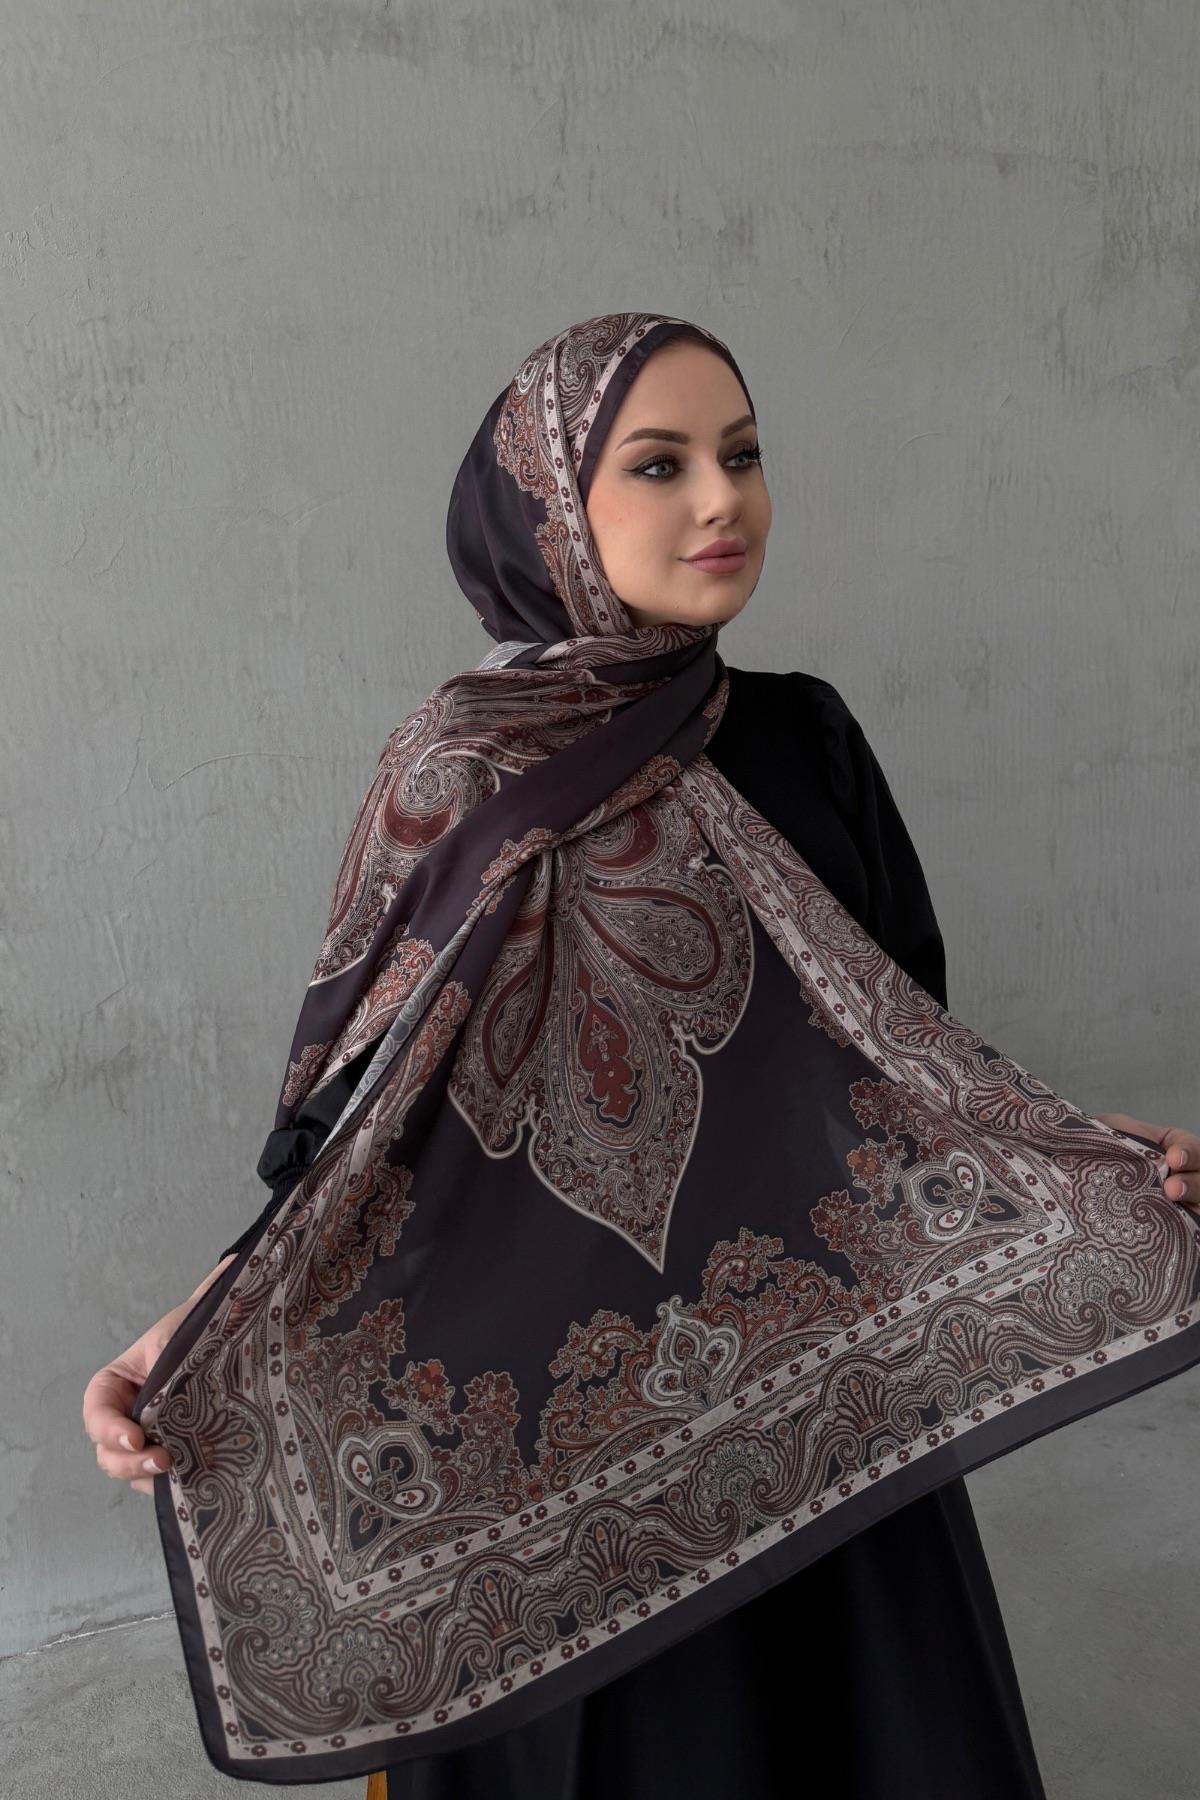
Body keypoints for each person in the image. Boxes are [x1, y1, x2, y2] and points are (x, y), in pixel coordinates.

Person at [83, 314, 1199, 1797]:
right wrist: (199, 1320)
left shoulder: (802, 737)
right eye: (659, 465)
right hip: (542, 1437)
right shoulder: (462, 770)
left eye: (743, 455)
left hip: (822, 1391)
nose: (722, 501)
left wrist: (1082, 1152)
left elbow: (906, 1060)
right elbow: (366, 1126)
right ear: (548, 507)